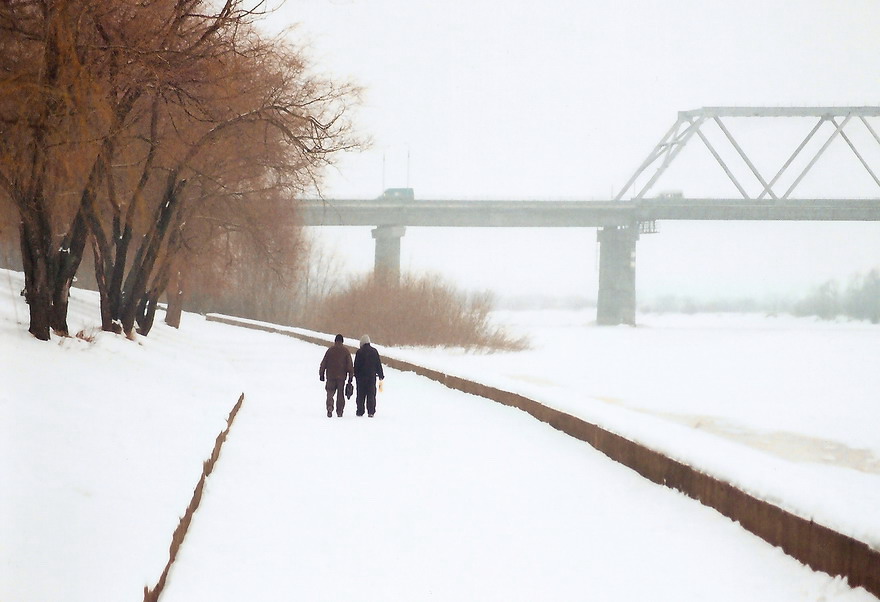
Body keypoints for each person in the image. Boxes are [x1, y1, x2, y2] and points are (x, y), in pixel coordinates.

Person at [319, 334, 353, 418]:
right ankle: (339, 411)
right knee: (340, 394)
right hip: (341, 377)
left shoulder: (330, 350)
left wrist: (321, 374)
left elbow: (323, 363)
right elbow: (350, 365)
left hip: (331, 376)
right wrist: (350, 376)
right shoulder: (345, 351)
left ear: (335, 341)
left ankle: (330, 407)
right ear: (342, 341)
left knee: (330, 393)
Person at [354, 334, 385, 417]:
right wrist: (381, 375)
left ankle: (360, 411)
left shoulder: (359, 352)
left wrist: (355, 375)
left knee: (360, 395)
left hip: (361, 378)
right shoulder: (374, 351)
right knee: (371, 394)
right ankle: (371, 411)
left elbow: (356, 365)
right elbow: (378, 364)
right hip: (371, 377)